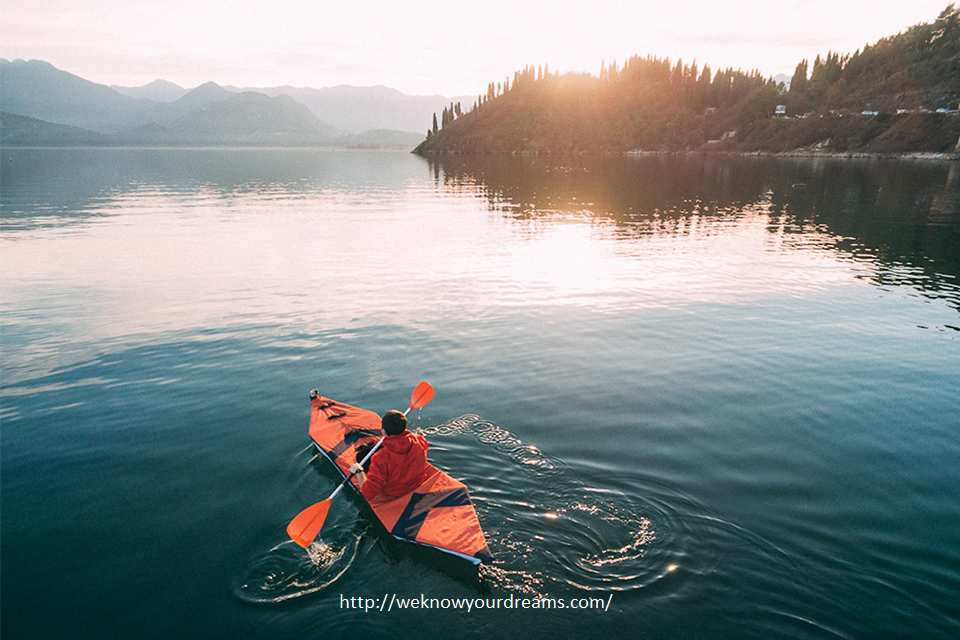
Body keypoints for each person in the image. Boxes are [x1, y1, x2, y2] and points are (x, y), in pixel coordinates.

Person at [349, 410, 428, 500]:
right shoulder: (419, 440)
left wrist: (359, 472)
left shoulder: (380, 458)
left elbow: (368, 493)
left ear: (384, 431)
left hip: (395, 492)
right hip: (417, 482)